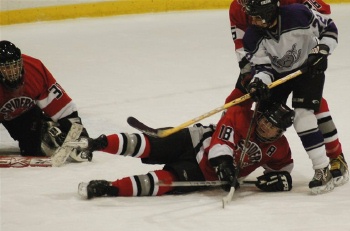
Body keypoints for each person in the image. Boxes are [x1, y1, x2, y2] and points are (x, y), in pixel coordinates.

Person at [226, 0, 347, 187]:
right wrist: (254, 81)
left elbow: (325, 20)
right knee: (252, 110)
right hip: (269, 65)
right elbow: (245, 49)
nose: (252, 18)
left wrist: (321, 50)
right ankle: (228, 158)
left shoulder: (296, 12)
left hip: (305, 62)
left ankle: (334, 157)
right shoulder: (240, 11)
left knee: (309, 108)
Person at [77, 102, 295, 199]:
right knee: (150, 145)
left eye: (272, 125)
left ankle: (111, 188)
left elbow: (283, 169)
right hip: (193, 140)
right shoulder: (240, 115)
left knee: (162, 182)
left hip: (203, 173)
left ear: (281, 131)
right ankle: (98, 143)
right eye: (265, 120)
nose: (266, 126)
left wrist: (281, 180)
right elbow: (221, 146)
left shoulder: (279, 148)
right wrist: (226, 168)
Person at [0, 40, 91, 162]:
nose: (13, 72)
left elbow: (63, 108)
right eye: (6, 68)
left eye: (15, 66)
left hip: (23, 113)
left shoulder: (34, 68)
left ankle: (47, 128)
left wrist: (79, 133)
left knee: (34, 149)